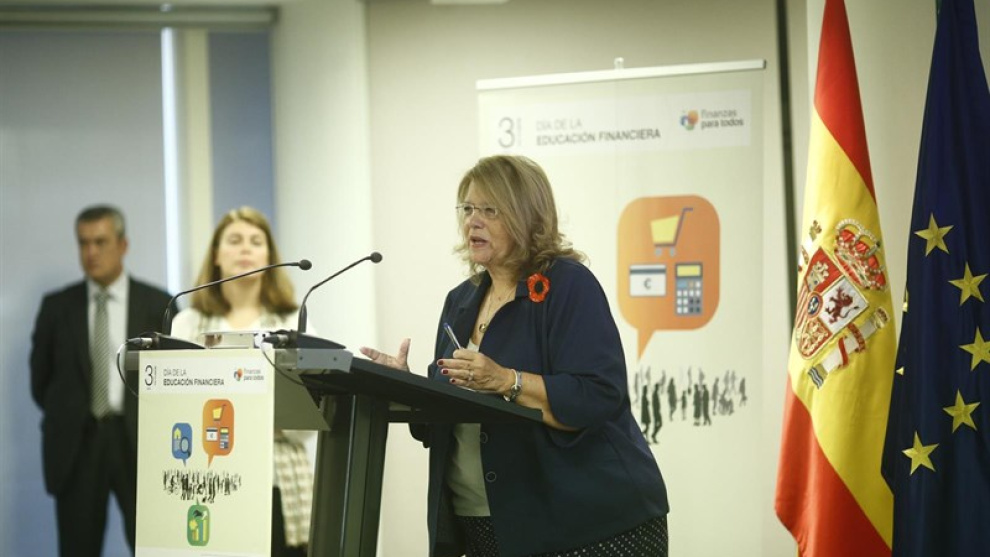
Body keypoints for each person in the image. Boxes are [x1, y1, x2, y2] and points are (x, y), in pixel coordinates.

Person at [362, 155, 669, 557]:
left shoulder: (569, 285)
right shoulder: (460, 301)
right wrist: (407, 388)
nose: (473, 221)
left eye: (490, 210)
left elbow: (598, 395)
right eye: (468, 209)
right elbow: (448, 423)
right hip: (483, 526)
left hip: (589, 527)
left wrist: (508, 380)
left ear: (526, 216)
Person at [170, 206, 314, 557]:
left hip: (278, 484)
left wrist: (233, 420)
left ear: (269, 256)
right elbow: (176, 407)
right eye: (234, 240)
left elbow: (310, 414)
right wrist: (258, 419)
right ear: (216, 256)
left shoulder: (293, 321)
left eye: (255, 241)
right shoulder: (188, 323)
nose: (245, 248)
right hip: (208, 483)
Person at [30, 205, 174, 556]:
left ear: (123, 245)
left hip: (138, 441)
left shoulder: (158, 305)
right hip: (77, 445)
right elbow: (41, 381)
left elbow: (176, 379)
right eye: (83, 243)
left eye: (100, 242)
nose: (91, 252)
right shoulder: (57, 307)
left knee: (153, 547)